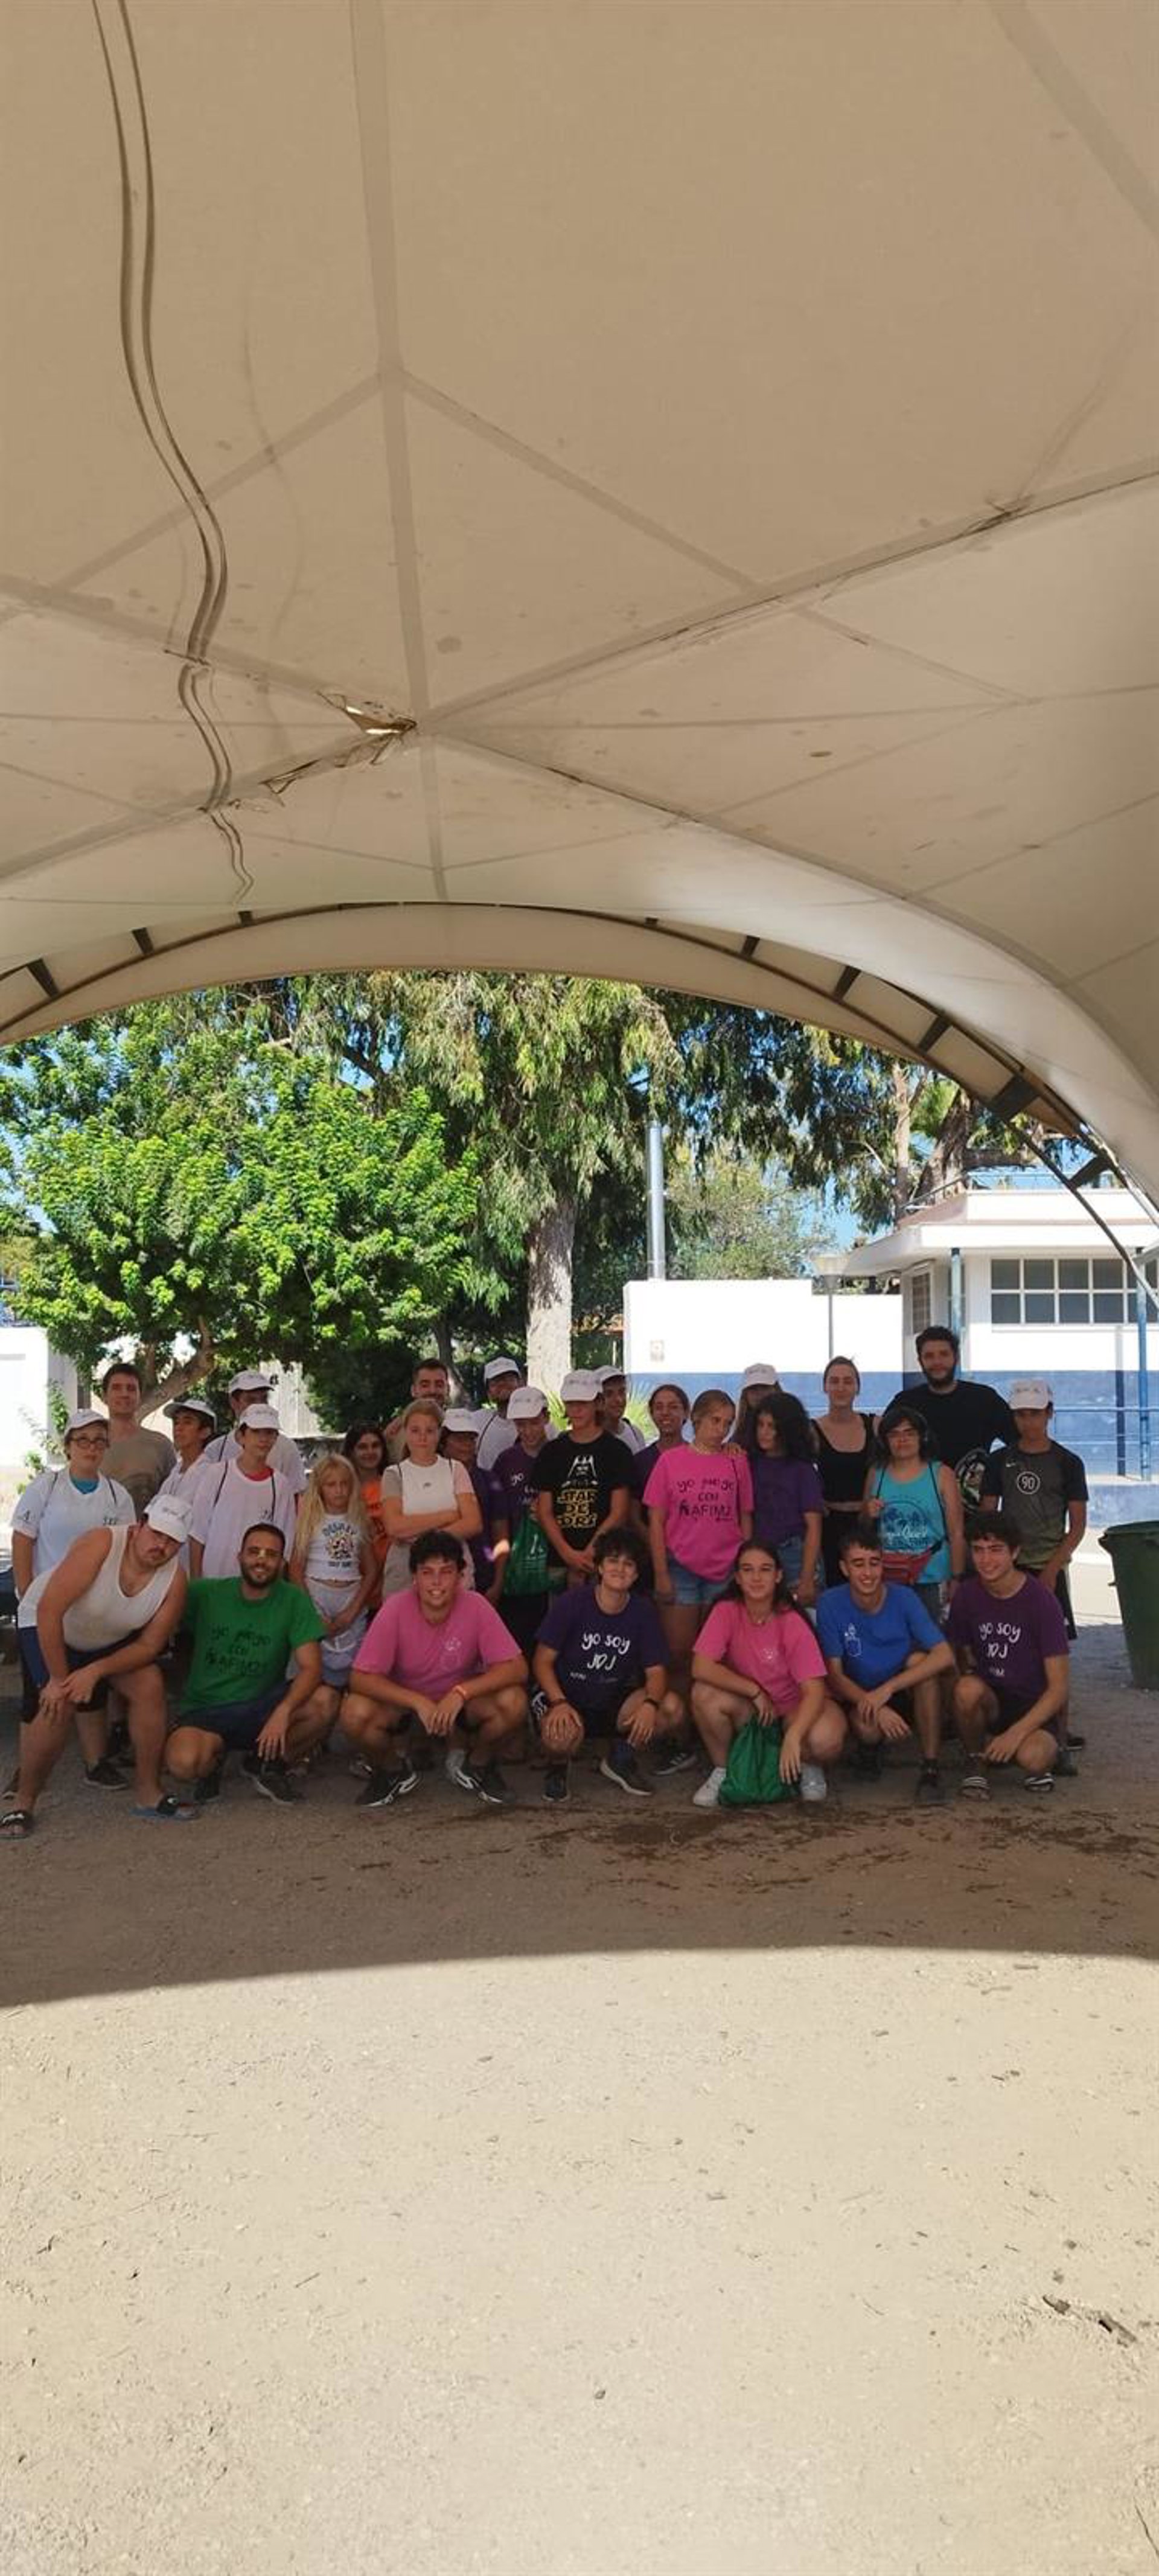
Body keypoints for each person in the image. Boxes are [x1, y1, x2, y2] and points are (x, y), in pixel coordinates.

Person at [3, 1497, 193, 1836]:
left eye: (172, 1541)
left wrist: (96, 1670)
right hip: (51, 1624)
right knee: (58, 1701)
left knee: (150, 1685)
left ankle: (149, 1792)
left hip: (108, 1636)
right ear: (138, 1527)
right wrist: (59, 1679)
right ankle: (23, 1801)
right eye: (157, 1534)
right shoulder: (101, 1544)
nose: (161, 1546)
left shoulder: (175, 1580)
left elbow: (149, 1646)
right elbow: (49, 1609)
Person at [343, 1530, 528, 1808]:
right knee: (354, 1711)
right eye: (427, 1573)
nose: (437, 1582)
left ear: (460, 1576)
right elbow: (360, 1678)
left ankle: (479, 1764)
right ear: (414, 1578)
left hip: (461, 1706)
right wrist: (416, 1701)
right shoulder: (395, 1608)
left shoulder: (476, 1605)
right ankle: (392, 1770)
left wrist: (462, 1693)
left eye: (446, 1572)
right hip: (405, 1707)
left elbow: (517, 1668)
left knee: (514, 1701)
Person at [165, 1525, 327, 1807]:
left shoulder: (294, 1600)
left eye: (271, 1555)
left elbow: (312, 1668)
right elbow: (158, 1601)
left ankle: (267, 1763)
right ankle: (213, 1761)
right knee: (184, 1763)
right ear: (239, 1556)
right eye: (254, 1552)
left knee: (325, 1701)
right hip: (205, 1708)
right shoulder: (206, 1593)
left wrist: (283, 1711)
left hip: (261, 1707)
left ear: (282, 1563)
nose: (261, 1561)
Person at [11, 1410, 136, 1761]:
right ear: (68, 1446)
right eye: (82, 1440)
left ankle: (96, 1765)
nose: (91, 1448)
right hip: (45, 1609)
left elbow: (124, 1549)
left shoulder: (118, 1497)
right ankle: (28, 1768)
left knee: (90, 1693)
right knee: (40, 1693)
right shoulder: (46, 1487)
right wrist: (27, 1593)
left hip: (92, 1612)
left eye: (99, 1441)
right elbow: (23, 1539)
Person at [689, 1538, 846, 1808]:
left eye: (765, 1569)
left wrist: (795, 1735)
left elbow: (814, 1690)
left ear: (778, 1576)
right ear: (737, 1577)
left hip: (793, 1709)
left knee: (826, 1738)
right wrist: (754, 1691)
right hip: (753, 1709)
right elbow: (701, 1666)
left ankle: (807, 1764)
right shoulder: (726, 1610)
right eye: (748, 1570)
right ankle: (725, 1770)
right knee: (703, 1694)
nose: (756, 1578)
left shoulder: (791, 1620)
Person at [532, 1526, 685, 1802]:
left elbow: (656, 1671)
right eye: (613, 1561)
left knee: (671, 1707)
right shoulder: (572, 1603)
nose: (620, 1569)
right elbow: (542, 1662)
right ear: (600, 1567)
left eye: (629, 1564)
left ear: (636, 1574)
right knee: (559, 1737)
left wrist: (650, 1705)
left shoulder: (642, 1611)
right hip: (566, 1695)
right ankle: (558, 1767)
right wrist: (558, 1702)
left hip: (611, 1698)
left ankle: (621, 1759)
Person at [817, 1520, 954, 1800]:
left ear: (883, 1565)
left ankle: (930, 1766)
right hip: (859, 1692)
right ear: (844, 1568)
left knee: (922, 1664)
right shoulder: (830, 1602)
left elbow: (945, 1654)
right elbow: (835, 1674)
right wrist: (875, 1705)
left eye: (874, 1563)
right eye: (858, 1564)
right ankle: (870, 1750)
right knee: (867, 1727)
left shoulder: (904, 1597)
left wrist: (888, 1690)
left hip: (898, 1688)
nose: (868, 1573)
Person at [947, 1512, 1068, 1797]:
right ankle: (976, 1759)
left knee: (1034, 1758)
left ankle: (1028, 1750)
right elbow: (956, 1654)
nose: (986, 1560)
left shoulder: (1042, 1601)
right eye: (978, 1550)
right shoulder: (966, 1595)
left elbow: (1059, 1688)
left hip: (1033, 1706)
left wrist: (1017, 1733)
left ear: (1015, 1552)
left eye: (996, 1550)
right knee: (965, 1689)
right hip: (992, 1701)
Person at [644, 1387, 753, 1688]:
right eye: (715, 1421)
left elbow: (745, 1515)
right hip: (680, 1565)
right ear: (697, 1419)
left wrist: (745, 1564)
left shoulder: (737, 1461)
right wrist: (661, 1573)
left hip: (726, 1567)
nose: (721, 1430)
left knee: (716, 1652)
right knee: (678, 1651)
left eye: (728, 1423)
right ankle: (679, 1709)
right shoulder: (670, 1462)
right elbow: (656, 1520)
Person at [980, 1378, 1088, 1635]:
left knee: (1052, 1639)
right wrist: (994, 1561)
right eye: (1021, 1414)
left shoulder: (1069, 1463)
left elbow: (1078, 1525)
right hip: (1008, 1565)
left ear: (1049, 1413)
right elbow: (988, 1515)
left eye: (1035, 1414)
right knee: (1006, 1636)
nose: (1028, 1422)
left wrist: (1052, 1570)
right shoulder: (998, 1460)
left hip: (1050, 1563)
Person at [289, 1452, 379, 1733]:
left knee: (354, 1666)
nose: (339, 1491)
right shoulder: (309, 1520)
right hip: (316, 1595)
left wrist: (353, 1609)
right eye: (331, 1485)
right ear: (319, 1488)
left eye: (344, 1484)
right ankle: (313, 1727)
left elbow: (371, 1570)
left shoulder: (358, 1519)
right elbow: (296, 1569)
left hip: (350, 1596)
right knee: (311, 1666)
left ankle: (348, 1728)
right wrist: (312, 1613)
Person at [886, 1327, 1016, 1507]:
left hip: (973, 1510)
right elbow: (882, 1450)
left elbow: (1019, 1443)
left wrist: (994, 1476)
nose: (937, 1362)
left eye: (944, 1354)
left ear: (956, 1357)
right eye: (929, 1356)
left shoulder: (984, 1399)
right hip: (920, 1509)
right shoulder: (905, 1403)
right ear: (920, 1361)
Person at [863, 1404, 965, 1620]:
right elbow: (863, 1525)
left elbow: (956, 1533)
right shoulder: (877, 1473)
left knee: (934, 1635)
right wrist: (868, 1514)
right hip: (888, 1574)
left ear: (922, 1437)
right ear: (885, 1441)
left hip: (933, 1574)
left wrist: (957, 1577)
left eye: (909, 1433)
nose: (902, 1440)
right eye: (894, 1435)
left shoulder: (942, 1474)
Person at [534, 1370, 632, 1587]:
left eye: (583, 1403)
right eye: (571, 1403)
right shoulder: (551, 1452)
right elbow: (544, 1510)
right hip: (559, 1560)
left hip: (604, 1560)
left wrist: (589, 1554)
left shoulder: (617, 1451)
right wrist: (567, 1554)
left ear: (598, 1403)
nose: (576, 1410)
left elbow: (619, 1511)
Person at [378, 1398, 482, 1598]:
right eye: (415, 1431)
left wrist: (424, 1541)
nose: (422, 1438)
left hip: (452, 1562)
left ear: (439, 1433)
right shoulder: (393, 1474)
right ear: (406, 1432)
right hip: (404, 1567)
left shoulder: (455, 1469)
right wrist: (448, 1516)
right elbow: (395, 1526)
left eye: (430, 1431)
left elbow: (473, 1523)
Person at [189, 1404, 299, 1579]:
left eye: (269, 1433)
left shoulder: (281, 1486)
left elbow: (283, 1547)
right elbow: (197, 1534)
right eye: (256, 1432)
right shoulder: (216, 1474)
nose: (263, 1439)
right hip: (214, 1582)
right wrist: (196, 1583)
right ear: (241, 1437)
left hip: (257, 1586)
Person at [489, 1385, 556, 1652]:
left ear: (546, 1418)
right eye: (521, 1425)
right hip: (517, 1562)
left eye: (534, 1423)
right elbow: (498, 1517)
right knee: (519, 1634)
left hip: (555, 1559)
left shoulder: (561, 1454)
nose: (528, 1431)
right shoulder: (506, 1461)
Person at [742, 1391, 825, 1606]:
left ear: (788, 1429)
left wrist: (807, 1578)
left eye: (772, 1426)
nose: (764, 1432)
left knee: (799, 1617)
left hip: (796, 1555)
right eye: (761, 1425)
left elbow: (813, 1526)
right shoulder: (749, 1464)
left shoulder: (803, 1470)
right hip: (760, 1553)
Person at [813, 1356, 877, 1586]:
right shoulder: (812, 1431)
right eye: (835, 1381)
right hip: (829, 1526)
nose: (841, 1388)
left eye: (848, 1381)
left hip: (868, 1522)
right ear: (825, 1387)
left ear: (858, 1388)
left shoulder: (875, 1425)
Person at [202, 1370, 307, 1495]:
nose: (259, 1405)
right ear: (233, 1402)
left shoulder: (286, 1448)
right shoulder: (215, 1451)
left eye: (264, 1399)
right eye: (251, 1400)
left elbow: (298, 1495)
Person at [99, 1360, 175, 1512]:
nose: (124, 1394)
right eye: (117, 1388)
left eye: (131, 1389)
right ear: (105, 1396)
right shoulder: (89, 1445)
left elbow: (172, 1499)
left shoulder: (161, 1445)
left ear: (140, 1396)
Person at [441, 1408, 496, 1592]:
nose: (466, 1444)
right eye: (459, 1439)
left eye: (471, 1439)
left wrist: (498, 1581)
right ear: (443, 1443)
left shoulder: (489, 1480)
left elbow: (500, 1531)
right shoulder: (432, 1478)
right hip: (441, 1573)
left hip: (485, 1573)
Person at [631, 1382, 692, 1504]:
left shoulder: (698, 1457)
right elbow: (634, 1509)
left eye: (673, 1407)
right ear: (652, 1414)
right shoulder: (640, 1462)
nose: (665, 1413)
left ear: (686, 1413)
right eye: (659, 1407)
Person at [342, 1422, 390, 1573]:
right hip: (350, 1572)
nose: (370, 1452)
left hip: (390, 1571)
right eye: (362, 1447)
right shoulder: (342, 1489)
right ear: (351, 1452)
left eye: (375, 1446)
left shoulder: (394, 1485)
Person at [383, 1357, 451, 1463]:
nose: (432, 1391)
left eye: (439, 1385)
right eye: (425, 1385)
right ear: (413, 1390)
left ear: (448, 1389)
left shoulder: (459, 1428)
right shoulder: (396, 1432)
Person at [475, 1357, 523, 1472]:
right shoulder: (477, 1420)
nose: (503, 1384)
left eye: (509, 1379)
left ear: (521, 1384)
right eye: (496, 1382)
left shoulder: (540, 1422)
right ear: (488, 1393)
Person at [595, 1366, 645, 1455]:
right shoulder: (586, 1438)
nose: (618, 1400)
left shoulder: (636, 1434)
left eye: (622, 1392)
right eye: (609, 1394)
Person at [733, 1361, 782, 1448]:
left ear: (776, 1389)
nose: (759, 1393)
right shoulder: (740, 1430)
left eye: (764, 1387)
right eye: (753, 1388)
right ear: (746, 1395)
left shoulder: (792, 1424)